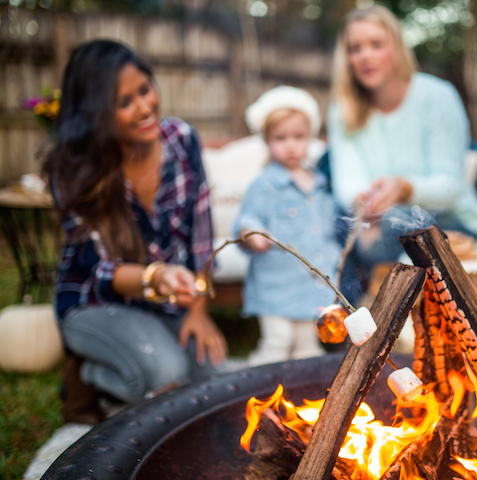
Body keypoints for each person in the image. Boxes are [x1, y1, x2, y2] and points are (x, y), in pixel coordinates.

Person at [43, 40, 228, 424]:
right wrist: (156, 275)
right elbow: (99, 269)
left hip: (161, 301)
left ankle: (128, 358)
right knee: (166, 375)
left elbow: (201, 235)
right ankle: (89, 376)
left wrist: (197, 311)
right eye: (124, 102)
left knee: (210, 382)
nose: (144, 108)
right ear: (95, 114)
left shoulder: (182, 140)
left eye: (145, 90)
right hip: (93, 301)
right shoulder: (72, 170)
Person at [327, 5, 477, 301]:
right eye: (355, 48)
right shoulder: (342, 111)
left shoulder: (438, 97)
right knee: (332, 219)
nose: (365, 56)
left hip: (446, 220)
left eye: (376, 44)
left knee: (399, 227)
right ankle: (343, 319)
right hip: (378, 222)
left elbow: (450, 187)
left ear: (397, 48)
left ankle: (358, 314)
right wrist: (367, 201)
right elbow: (346, 184)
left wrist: (403, 188)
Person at [232, 86, 341, 366]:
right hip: (277, 286)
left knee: (308, 346)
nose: (290, 145)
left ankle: (300, 398)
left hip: (314, 285)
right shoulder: (265, 184)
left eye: (298, 137)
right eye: (280, 138)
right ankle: (255, 391)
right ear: (267, 140)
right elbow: (248, 220)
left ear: (310, 138)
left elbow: (328, 226)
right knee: (278, 341)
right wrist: (252, 234)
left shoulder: (319, 182)